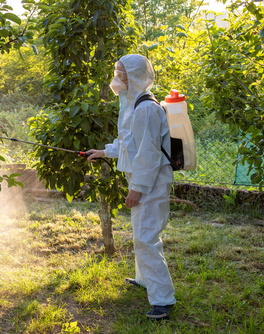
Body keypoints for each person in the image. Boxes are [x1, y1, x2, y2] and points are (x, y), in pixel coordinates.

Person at [86, 54, 176, 320]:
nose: (117, 76)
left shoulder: (146, 108)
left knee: (147, 237)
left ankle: (163, 300)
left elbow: (148, 154)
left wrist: (136, 189)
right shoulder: (132, 103)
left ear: (136, 75)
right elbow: (129, 142)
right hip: (141, 178)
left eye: (121, 72)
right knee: (141, 232)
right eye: (116, 70)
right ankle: (144, 279)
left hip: (151, 182)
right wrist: (104, 152)